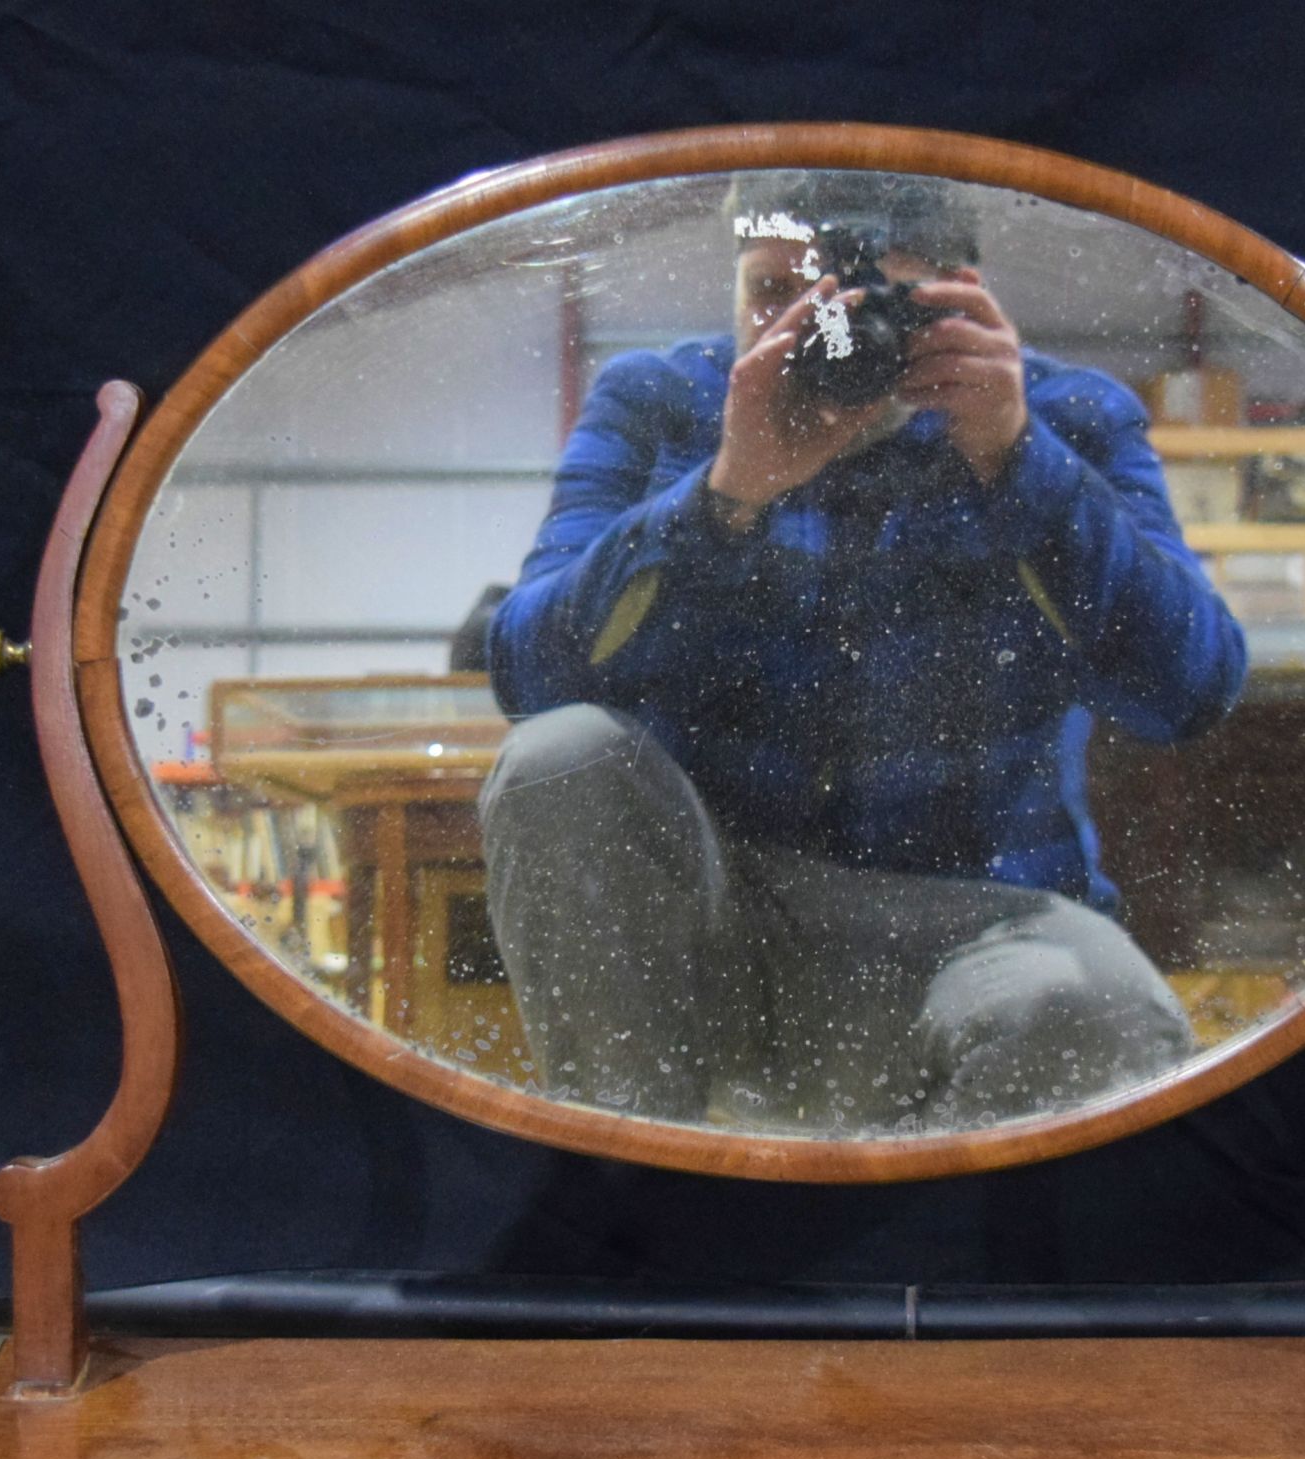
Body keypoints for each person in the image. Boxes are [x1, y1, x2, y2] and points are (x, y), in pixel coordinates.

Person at [479, 172, 1247, 1130]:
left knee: (1096, 1012)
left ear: (958, 296)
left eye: (862, 300)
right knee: (561, 760)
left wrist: (1014, 456)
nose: (816, 331)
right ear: (732, 290)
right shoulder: (664, 403)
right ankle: (638, 1192)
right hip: (721, 920)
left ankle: (909, 1252)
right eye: (775, 294)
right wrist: (726, 495)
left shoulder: (1065, 416)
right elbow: (530, 680)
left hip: (981, 924)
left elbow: (1189, 692)